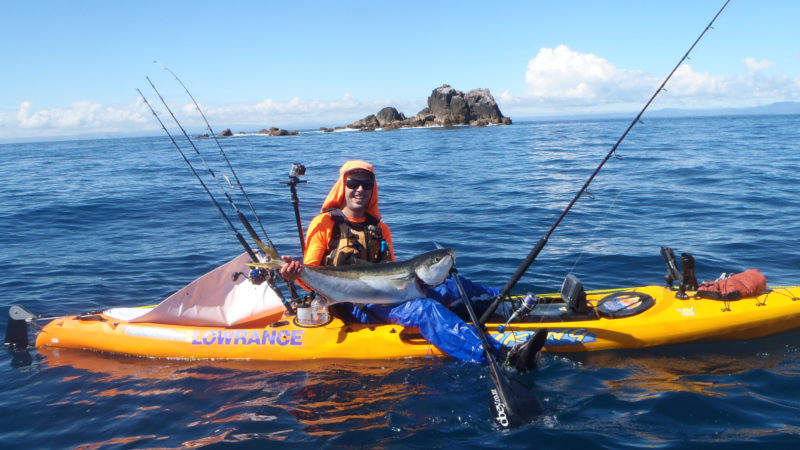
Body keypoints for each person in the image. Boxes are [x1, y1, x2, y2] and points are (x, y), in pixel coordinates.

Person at [280, 160, 546, 371]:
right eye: (353, 183)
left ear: (373, 189)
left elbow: (392, 270)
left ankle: (510, 306)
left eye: (366, 184)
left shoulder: (381, 229)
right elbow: (310, 274)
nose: (359, 189)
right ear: (343, 186)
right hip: (353, 304)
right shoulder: (324, 224)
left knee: (456, 286)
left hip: (391, 293)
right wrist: (294, 275)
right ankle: (503, 356)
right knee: (425, 310)